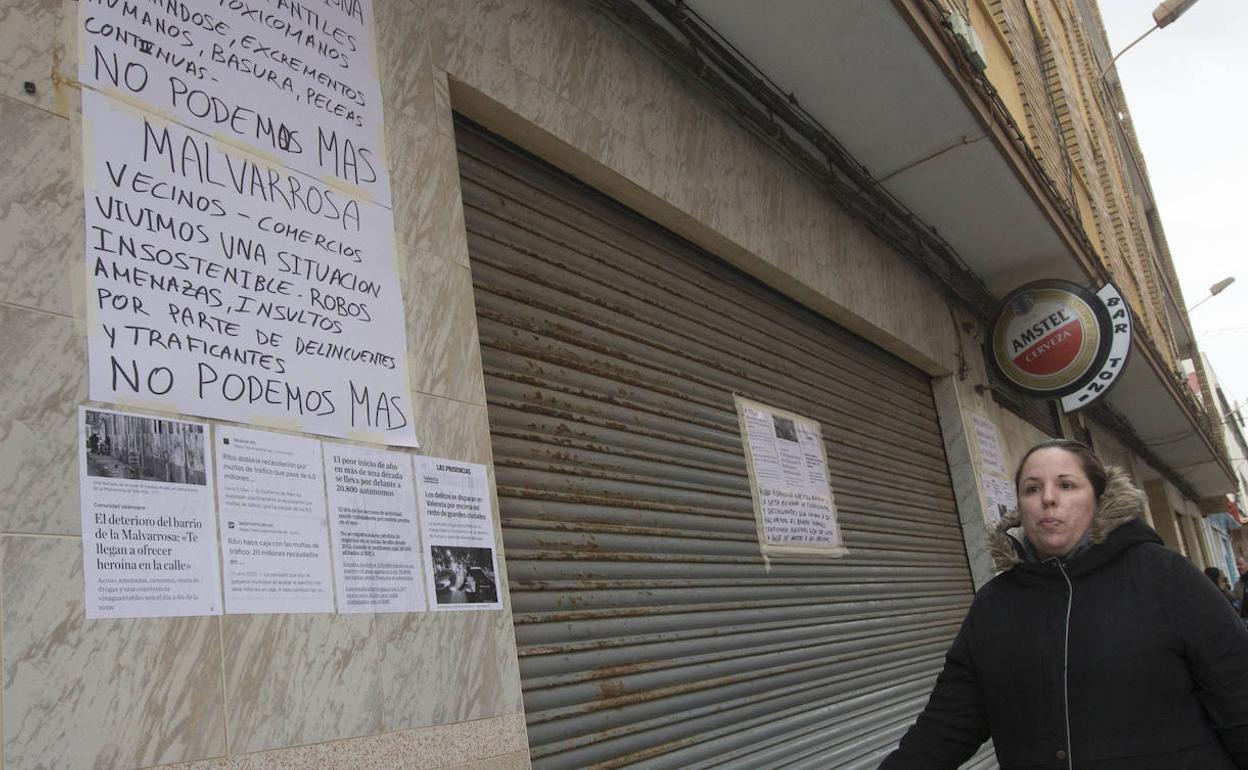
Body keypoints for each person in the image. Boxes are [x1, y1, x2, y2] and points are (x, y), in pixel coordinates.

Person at [880, 439, 1248, 769]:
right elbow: (946, 726)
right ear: (1020, 506)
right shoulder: (994, 605)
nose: (1048, 498)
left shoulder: (1165, 576)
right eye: (1032, 488)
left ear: (1100, 500)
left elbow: (1238, 698)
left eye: (1066, 485)